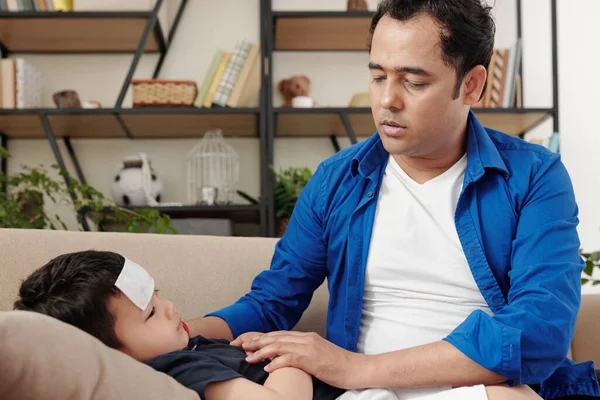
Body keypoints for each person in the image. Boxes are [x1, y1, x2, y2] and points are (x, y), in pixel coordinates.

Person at [185, 1, 600, 399]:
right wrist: (168, 335)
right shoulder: (336, 180)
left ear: (472, 85)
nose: (387, 100)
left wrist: (355, 367)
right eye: (378, 76)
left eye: (414, 81)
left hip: (482, 392)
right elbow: (271, 302)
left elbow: (538, 330)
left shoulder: (534, 176)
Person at [13, 250, 345, 400]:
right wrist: (287, 357)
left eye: (158, 297)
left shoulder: (189, 346)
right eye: (150, 314)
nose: (170, 308)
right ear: (115, 356)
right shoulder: (177, 368)